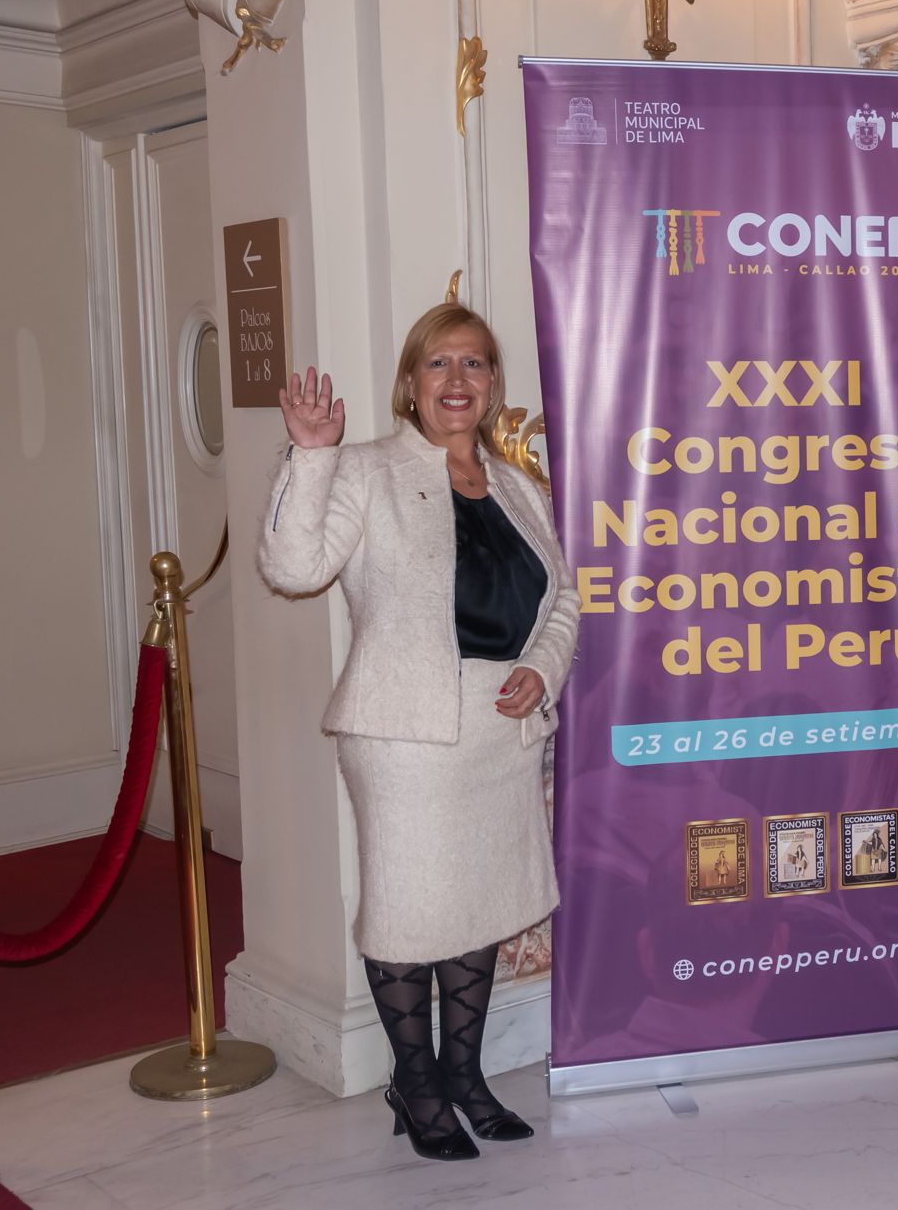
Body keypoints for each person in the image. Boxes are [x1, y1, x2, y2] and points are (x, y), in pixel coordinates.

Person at [259, 302, 580, 1163]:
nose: (457, 380)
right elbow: (292, 567)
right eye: (439, 363)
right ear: (411, 382)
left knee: (477, 907)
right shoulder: (365, 470)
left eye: (474, 363)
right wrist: (312, 455)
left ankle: (465, 1077)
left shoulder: (518, 487)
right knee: (409, 913)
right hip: (402, 737)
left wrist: (541, 668)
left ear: (492, 382)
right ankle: (418, 1083)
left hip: (498, 731)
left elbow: (564, 597)